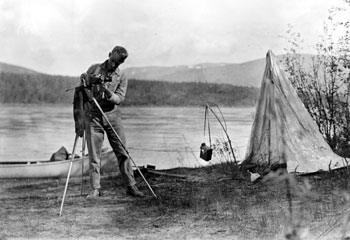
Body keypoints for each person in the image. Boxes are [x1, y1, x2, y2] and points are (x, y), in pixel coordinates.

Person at [80, 45, 145, 198]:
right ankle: (95, 189)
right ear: (109, 55)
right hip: (94, 117)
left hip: (113, 117)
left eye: (118, 63)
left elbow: (119, 99)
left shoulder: (122, 75)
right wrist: (86, 79)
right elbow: (83, 82)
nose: (115, 65)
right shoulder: (94, 68)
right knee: (94, 156)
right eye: (113, 61)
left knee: (123, 152)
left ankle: (131, 186)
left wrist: (107, 91)